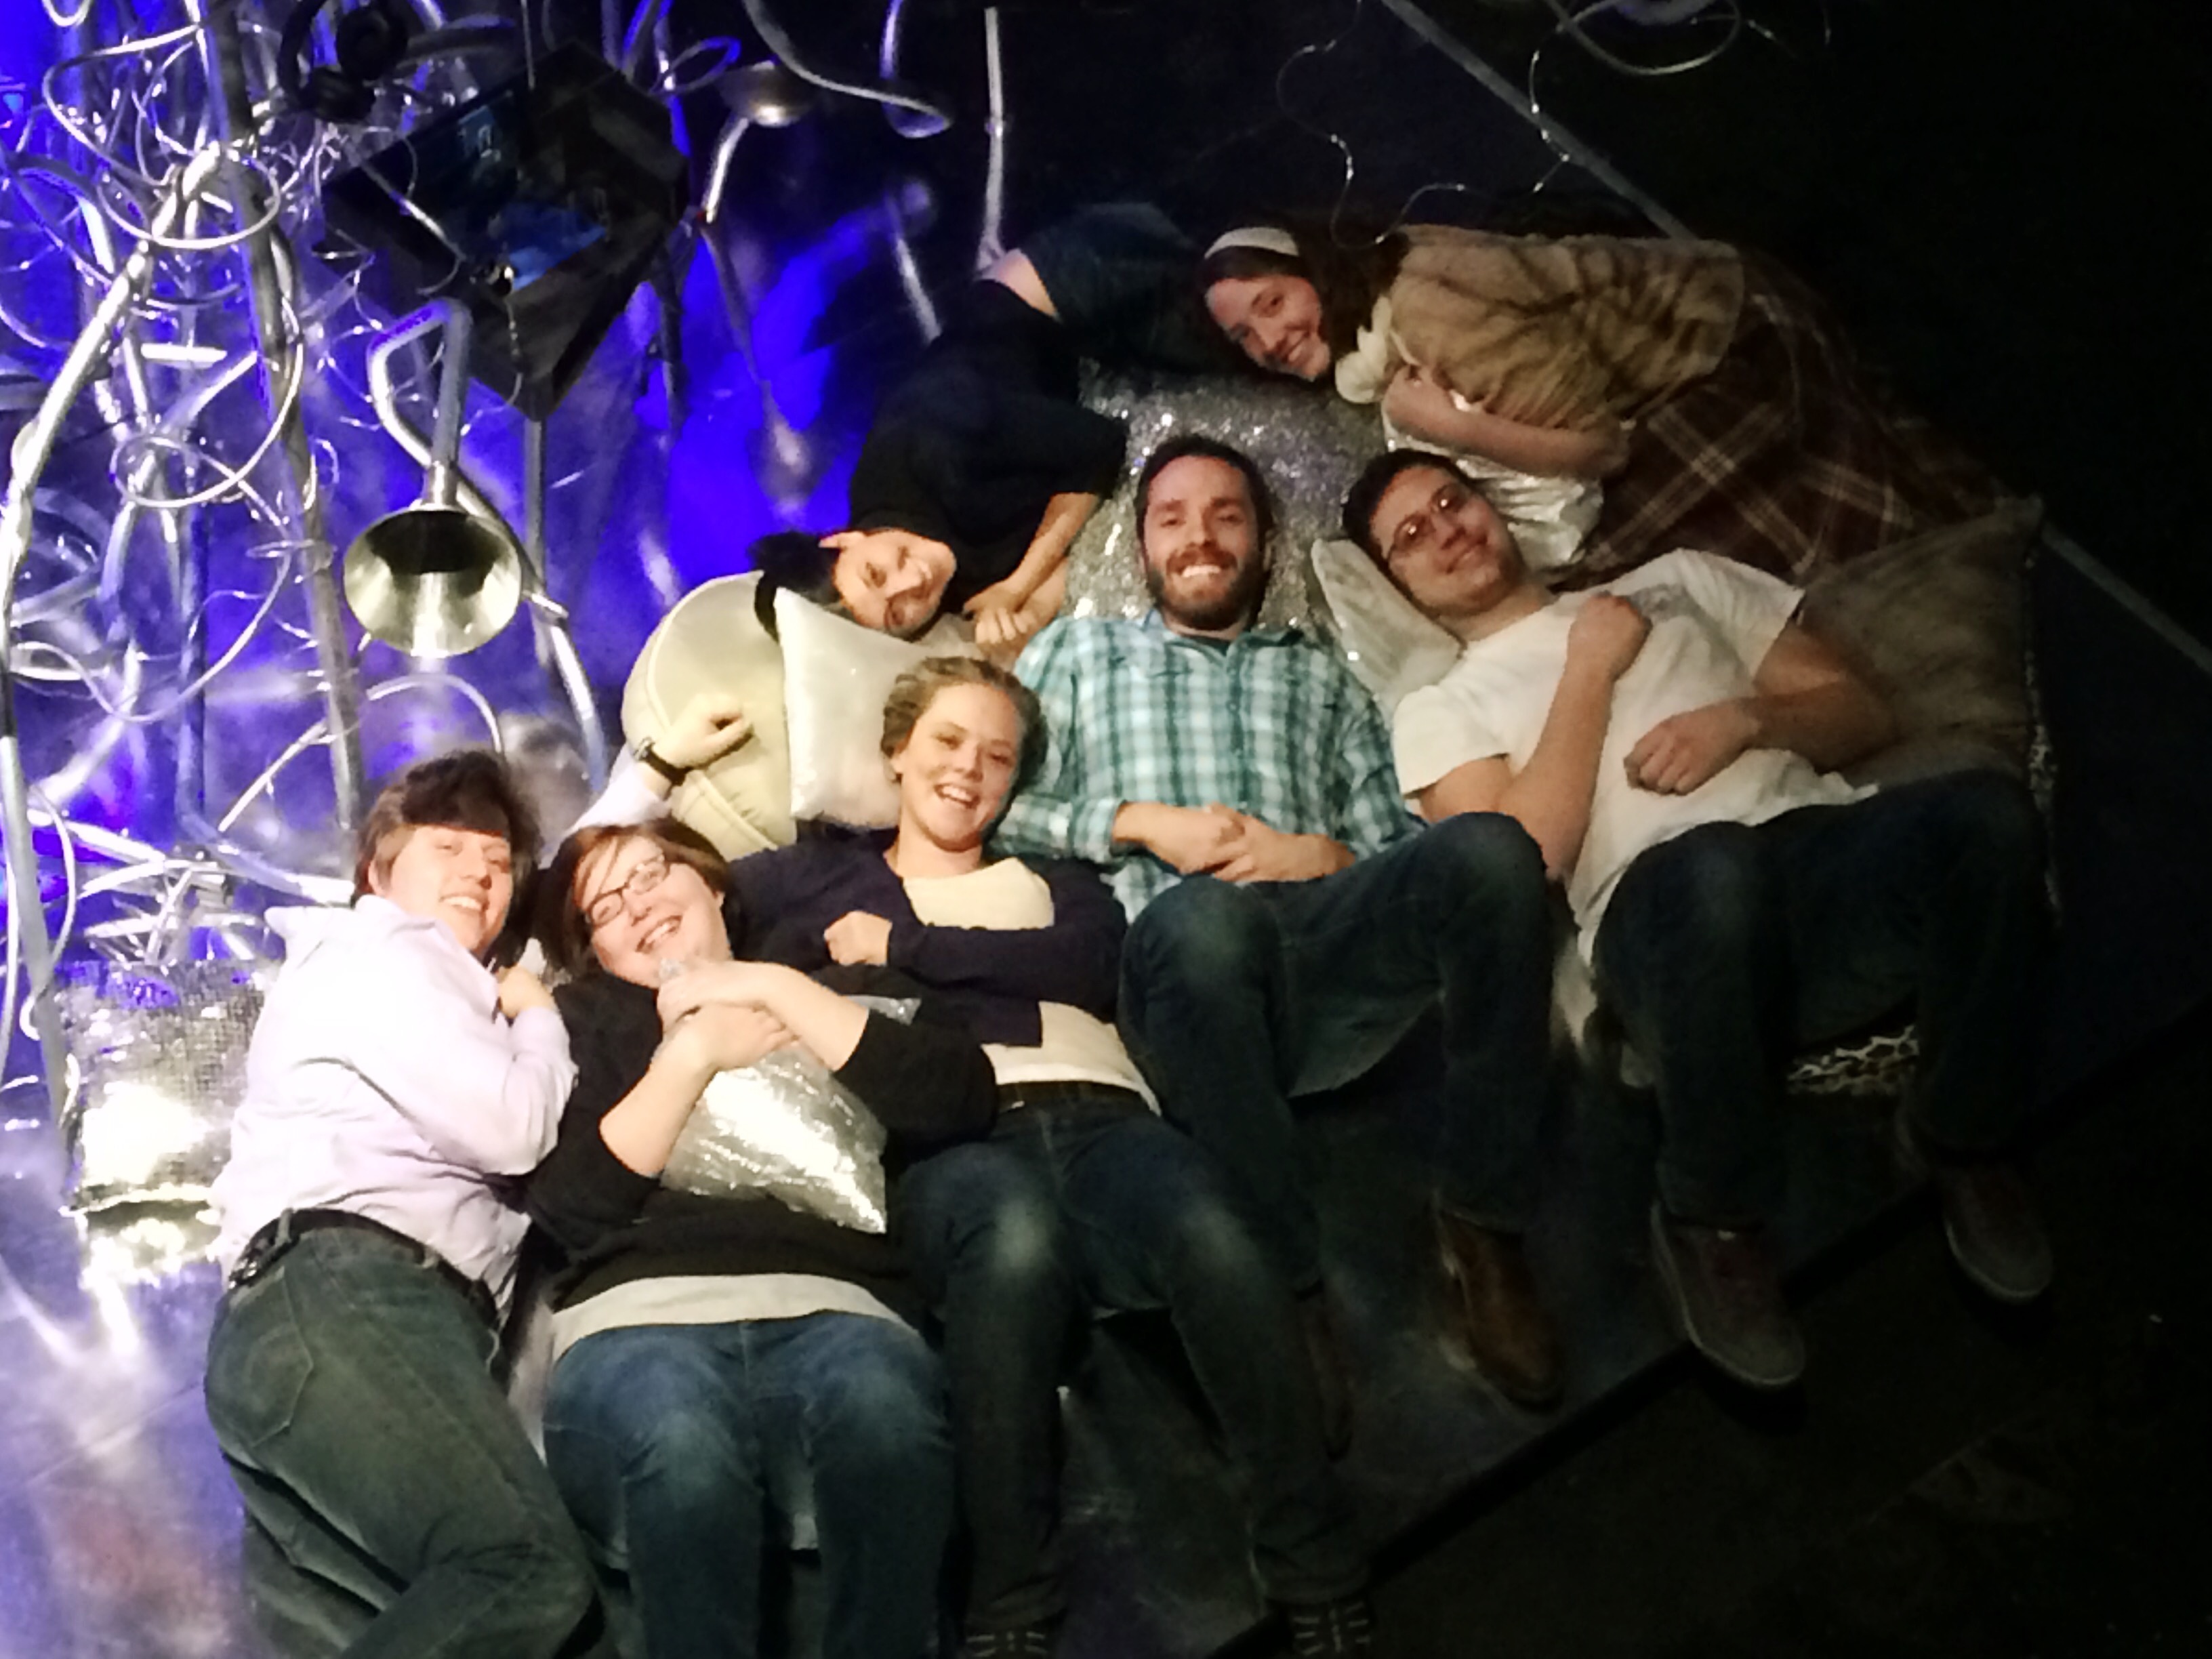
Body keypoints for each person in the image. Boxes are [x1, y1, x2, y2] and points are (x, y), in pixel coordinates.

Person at [1343, 449, 2053, 1390]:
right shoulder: (1439, 707)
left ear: (1493, 505)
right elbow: (1521, 863)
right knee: (1714, 873)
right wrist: (1589, 670)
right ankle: (1710, 1214)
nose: (1448, 531)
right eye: (1413, 538)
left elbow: (1860, 711)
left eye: (1452, 501)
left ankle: (1959, 1134)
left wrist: (1746, 723)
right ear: (1403, 588)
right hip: (1667, 923)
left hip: (1818, 866)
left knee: (1990, 817)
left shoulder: (1675, 582)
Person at [720, 656, 1372, 1658]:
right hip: (955, 1142)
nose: (968, 770)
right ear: (895, 751)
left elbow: (1084, 963)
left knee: (1210, 1222)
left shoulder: (1054, 878)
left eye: (997, 756)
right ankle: (1010, 1602)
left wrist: (905, 945)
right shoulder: (815, 876)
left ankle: (1317, 1568)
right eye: (946, 741)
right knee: (1014, 1242)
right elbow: (673, 898)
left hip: (1105, 1116)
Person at [992, 434, 1563, 1414]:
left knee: (1493, 853)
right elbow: (994, 807)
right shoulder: (1080, 655)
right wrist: (1139, 824)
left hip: (1321, 962)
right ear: (1143, 551)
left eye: (1227, 515)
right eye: (1172, 518)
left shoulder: (1321, 679)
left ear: (1262, 541)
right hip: (1174, 980)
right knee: (1204, 921)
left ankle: (1483, 1222)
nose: (1200, 537)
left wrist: (1318, 856)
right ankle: (1286, 1285)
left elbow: (1393, 844)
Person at [527, 819, 1000, 1659]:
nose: (637, 905)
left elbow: (959, 1096)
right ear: (596, 950)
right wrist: (697, 1049)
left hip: (836, 1308)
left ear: (710, 883)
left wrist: (772, 990)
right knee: (682, 1450)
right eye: (606, 906)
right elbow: (570, 1209)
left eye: (650, 874)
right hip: (639, 1320)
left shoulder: (831, 983)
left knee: (887, 1420)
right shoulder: (581, 1022)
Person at [204, 751, 613, 1658]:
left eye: (499, 861)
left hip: (320, 1338)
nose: (480, 870)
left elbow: (586, 860)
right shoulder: (385, 950)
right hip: (346, 1297)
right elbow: (513, 1128)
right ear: (376, 872)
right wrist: (539, 1016)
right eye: (449, 847)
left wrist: (656, 768)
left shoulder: (443, 985)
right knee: (525, 1568)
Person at [1199, 220, 1998, 586]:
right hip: (1657, 362)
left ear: (1310, 270)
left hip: (1724, 336)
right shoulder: (1372, 333)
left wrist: (1447, 426)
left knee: (1636, 567)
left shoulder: (1425, 317)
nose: (1265, 342)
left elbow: (1598, 446)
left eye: (1271, 304)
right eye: (1243, 337)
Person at [756, 205, 1241, 655]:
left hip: (1058, 298)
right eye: (895, 613)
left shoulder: (927, 444)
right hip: (1085, 377)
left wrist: (1018, 587)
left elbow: (1099, 446)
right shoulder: (933, 590)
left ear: (841, 541)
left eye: (877, 572)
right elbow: (1085, 545)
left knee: (1258, 323)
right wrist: (1026, 616)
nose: (912, 584)